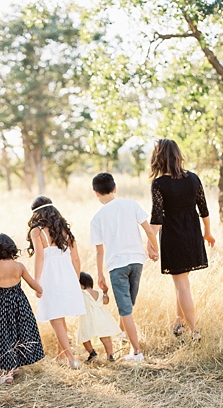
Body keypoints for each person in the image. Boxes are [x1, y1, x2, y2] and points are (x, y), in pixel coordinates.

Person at [148, 138, 215, 341]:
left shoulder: (159, 184)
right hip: (192, 234)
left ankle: (194, 330)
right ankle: (180, 322)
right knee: (181, 281)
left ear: (159, 157)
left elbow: (157, 218)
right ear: (177, 156)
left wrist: (150, 244)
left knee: (181, 284)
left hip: (174, 236)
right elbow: (203, 209)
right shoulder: (193, 178)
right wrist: (208, 232)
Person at [90, 172, 159, 362]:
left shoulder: (97, 218)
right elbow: (149, 230)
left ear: (96, 193)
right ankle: (122, 334)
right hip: (137, 261)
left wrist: (99, 274)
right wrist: (155, 250)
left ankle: (137, 352)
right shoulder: (130, 204)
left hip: (117, 265)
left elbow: (99, 251)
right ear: (115, 188)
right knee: (129, 304)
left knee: (125, 309)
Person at [27, 196, 86, 369]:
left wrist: (36, 282)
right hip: (67, 275)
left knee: (55, 318)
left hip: (49, 276)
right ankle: (61, 357)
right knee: (60, 318)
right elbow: (76, 259)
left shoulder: (37, 231)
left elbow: (40, 257)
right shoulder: (65, 231)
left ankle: (71, 359)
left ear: (36, 214)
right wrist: (75, 280)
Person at [0, 233, 45, 384]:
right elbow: (35, 285)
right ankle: (14, 365)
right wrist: (40, 290)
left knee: (4, 336)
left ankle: (7, 372)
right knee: (18, 334)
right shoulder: (19, 267)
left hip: (0, 307)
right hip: (19, 305)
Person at [76, 271, 121, 363]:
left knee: (84, 336)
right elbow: (106, 301)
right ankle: (110, 355)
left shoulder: (81, 293)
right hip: (102, 317)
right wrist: (105, 292)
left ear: (81, 285)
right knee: (105, 337)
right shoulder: (99, 293)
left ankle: (92, 353)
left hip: (88, 318)